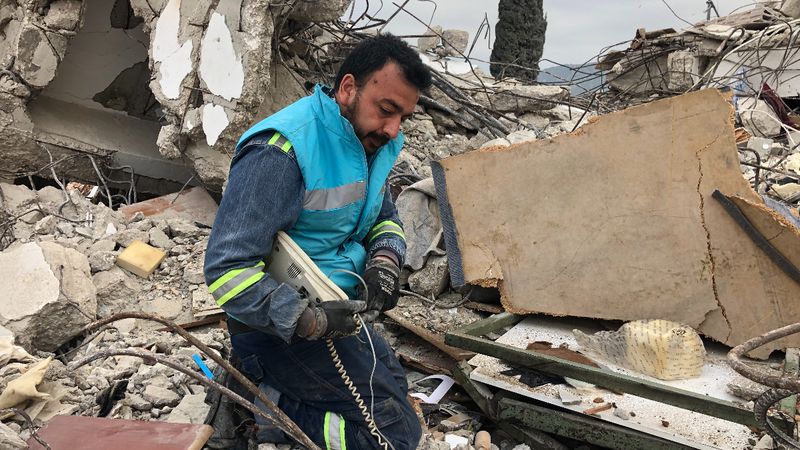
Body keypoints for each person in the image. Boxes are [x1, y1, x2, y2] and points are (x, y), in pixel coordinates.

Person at [203, 34, 432, 450]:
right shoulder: (280, 151)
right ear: (348, 88)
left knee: (398, 392)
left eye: (404, 117)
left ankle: (271, 390)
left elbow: (384, 217)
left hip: (340, 313)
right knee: (394, 437)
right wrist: (305, 320)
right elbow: (225, 269)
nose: (394, 129)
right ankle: (265, 405)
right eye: (386, 110)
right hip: (280, 330)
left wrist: (384, 260)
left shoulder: (370, 141)